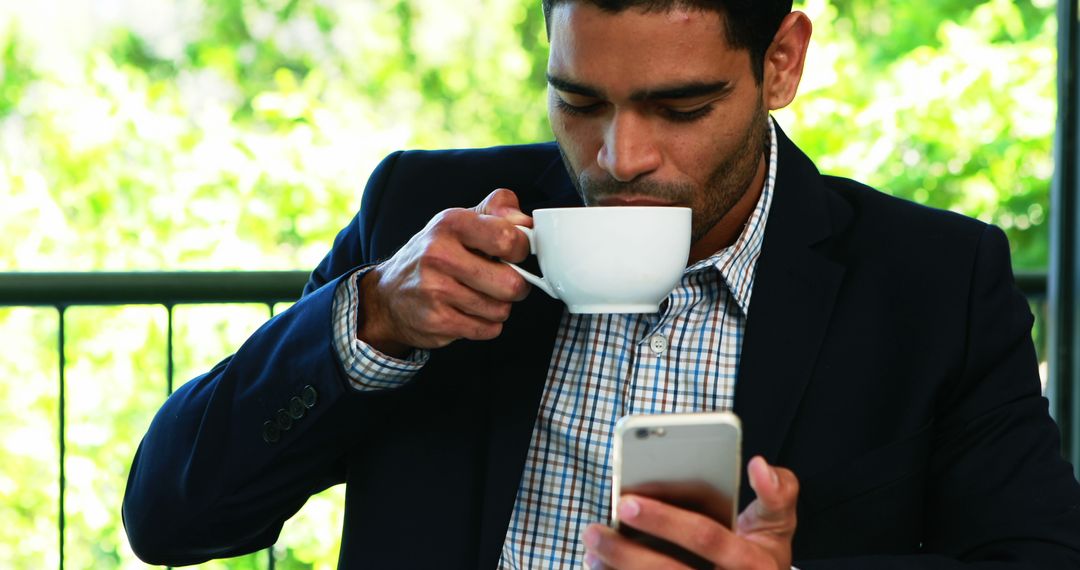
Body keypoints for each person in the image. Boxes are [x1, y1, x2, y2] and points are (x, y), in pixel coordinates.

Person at [123, 0, 1080, 568]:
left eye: (682, 106)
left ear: (781, 61)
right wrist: (372, 318)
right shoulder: (425, 212)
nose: (621, 158)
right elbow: (169, 517)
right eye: (580, 102)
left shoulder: (933, 281)